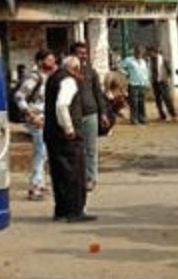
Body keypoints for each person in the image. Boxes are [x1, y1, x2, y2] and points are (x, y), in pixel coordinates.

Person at [43, 55, 94, 222]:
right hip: (66, 136)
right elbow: (62, 105)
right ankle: (74, 211)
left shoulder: (53, 79)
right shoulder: (68, 81)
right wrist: (69, 128)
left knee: (59, 174)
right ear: (75, 69)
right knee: (74, 173)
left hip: (52, 134)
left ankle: (61, 210)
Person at [15, 49, 58, 201]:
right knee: (41, 153)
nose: (53, 63)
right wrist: (31, 116)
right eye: (49, 60)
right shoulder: (34, 77)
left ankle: (41, 183)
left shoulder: (49, 77)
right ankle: (35, 187)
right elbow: (19, 96)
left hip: (47, 118)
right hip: (37, 118)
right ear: (40, 62)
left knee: (45, 152)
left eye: (53, 60)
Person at [70, 42, 109, 192]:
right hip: (74, 116)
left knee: (91, 148)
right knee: (76, 148)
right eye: (80, 53)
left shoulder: (91, 72)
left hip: (91, 113)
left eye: (85, 53)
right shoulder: (67, 73)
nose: (83, 56)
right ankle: (77, 177)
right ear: (73, 55)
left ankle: (91, 178)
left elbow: (98, 93)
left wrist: (103, 113)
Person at [120, 45, 150, 125]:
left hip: (142, 84)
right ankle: (134, 119)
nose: (140, 53)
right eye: (138, 51)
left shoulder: (143, 62)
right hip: (133, 84)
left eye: (141, 51)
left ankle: (142, 118)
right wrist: (127, 74)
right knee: (134, 103)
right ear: (135, 51)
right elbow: (120, 67)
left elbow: (145, 73)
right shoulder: (128, 60)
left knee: (142, 103)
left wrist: (147, 82)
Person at [149, 46, 178, 122]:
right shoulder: (150, 60)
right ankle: (162, 115)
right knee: (158, 99)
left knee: (167, 98)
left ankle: (173, 114)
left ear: (155, 52)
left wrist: (166, 79)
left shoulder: (163, 59)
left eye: (151, 52)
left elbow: (169, 70)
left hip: (163, 82)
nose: (150, 54)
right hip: (155, 82)